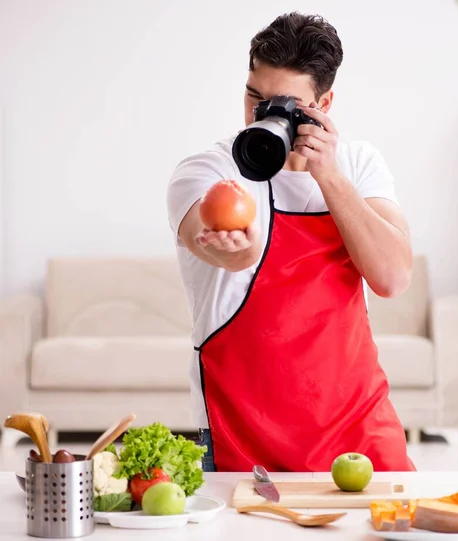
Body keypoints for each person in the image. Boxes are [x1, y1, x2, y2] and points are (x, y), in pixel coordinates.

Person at [167, 12, 415, 473]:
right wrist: (231, 249)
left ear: (324, 103)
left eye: (284, 105)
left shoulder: (358, 166)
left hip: (359, 430)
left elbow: (393, 276)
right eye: (253, 96)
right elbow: (217, 244)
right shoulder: (208, 171)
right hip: (240, 437)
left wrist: (329, 176)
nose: (261, 116)